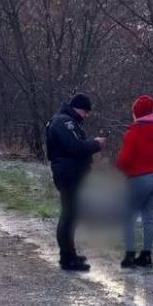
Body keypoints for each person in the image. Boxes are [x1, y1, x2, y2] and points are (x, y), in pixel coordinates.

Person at [45, 92, 106, 272]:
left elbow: (74, 145)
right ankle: (67, 259)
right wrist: (96, 144)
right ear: (78, 108)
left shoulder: (64, 121)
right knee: (69, 217)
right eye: (86, 112)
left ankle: (69, 255)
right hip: (68, 175)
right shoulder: (65, 122)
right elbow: (75, 147)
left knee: (72, 216)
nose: (86, 115)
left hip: (69, 174)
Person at [115, 94, 153, 268]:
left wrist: (125, 169)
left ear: (136, 113)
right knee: (148, 217)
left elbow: (124, 160)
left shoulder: (133, 133)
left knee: (128, 216)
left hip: (137, 179)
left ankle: (130, 256)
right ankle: (146, 256)